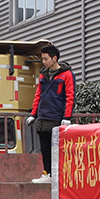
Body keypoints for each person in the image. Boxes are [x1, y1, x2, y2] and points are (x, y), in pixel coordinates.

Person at [30, 42, 74, 184]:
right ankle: (47, 173)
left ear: (54, 58)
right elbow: (38, 95)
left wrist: (66, 117)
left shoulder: (67, 74)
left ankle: (60, 175)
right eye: (42, 59)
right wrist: (33, 114)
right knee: (45, 149)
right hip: (43, 118)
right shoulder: (43, 75)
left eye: (45, 59)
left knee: (58, 149)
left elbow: (70, 96)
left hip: (57, 117)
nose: (43, 62)